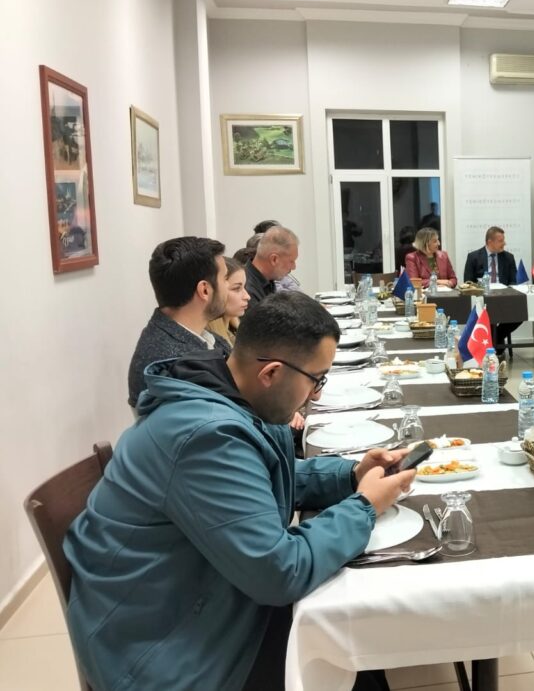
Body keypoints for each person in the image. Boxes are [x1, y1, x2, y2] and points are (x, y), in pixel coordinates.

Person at [66, 292, 414, 691]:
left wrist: (351, 475)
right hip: (163, 652)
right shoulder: (204, 436)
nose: (316, 395)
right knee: (347, 644)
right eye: (316, 380)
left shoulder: (226, 390)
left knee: (352, 637)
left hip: (190, 600)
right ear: (271, 373)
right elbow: (280, 572)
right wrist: (364, 506)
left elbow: (260, 478)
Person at [126, 236, 231, 409]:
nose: (228, 286)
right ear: (204, 290)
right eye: (225, 278)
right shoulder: (174, 366)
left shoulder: (189, 336)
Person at [464, 226, 521, 356]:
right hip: (483, 299)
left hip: (504, 298)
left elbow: (513, 282)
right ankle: (493, 343)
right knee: (484, 315)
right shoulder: (474, 257)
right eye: (500, 241)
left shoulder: (508, 257)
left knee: (520, 312)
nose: (504, 243)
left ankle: (496, 339)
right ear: (490, 242)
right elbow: (468, 282)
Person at [245, 226, 299, 306]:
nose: (294, 267)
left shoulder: (268, 280)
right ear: (274, 259)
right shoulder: (248, 290)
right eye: (291, 261)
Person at [208, 257, 251, 347]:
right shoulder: (209, 343)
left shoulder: (237, 331)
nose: (247, 296)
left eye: (244, 287)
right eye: (236, 288)